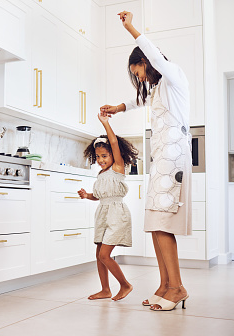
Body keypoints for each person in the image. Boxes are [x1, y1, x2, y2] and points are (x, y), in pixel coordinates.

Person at [99, 11, 192, 311]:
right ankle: (165, 285)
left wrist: (130, 29)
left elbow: (156, 57)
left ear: (148, 61)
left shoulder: (173, 75)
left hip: (172, 164)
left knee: (163, 225)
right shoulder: (158, 90)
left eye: (137, 70)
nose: (139, 76)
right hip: (161, 163)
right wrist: (119, 107)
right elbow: (141, 100)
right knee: (155, 224)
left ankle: (177, 288)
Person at [78, 112, 139, 301]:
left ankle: (125, 285)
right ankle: (105, 289)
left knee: (105, 255)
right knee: (99, 254)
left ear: (114, 155)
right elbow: (99, 196)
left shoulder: (118, 168)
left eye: (105, 155)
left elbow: (113, 142)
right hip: (103, 214)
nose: (101, 160)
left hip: (116, 215)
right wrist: (87, 195)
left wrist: (105, 124)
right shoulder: (101, 174)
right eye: (98, 157)